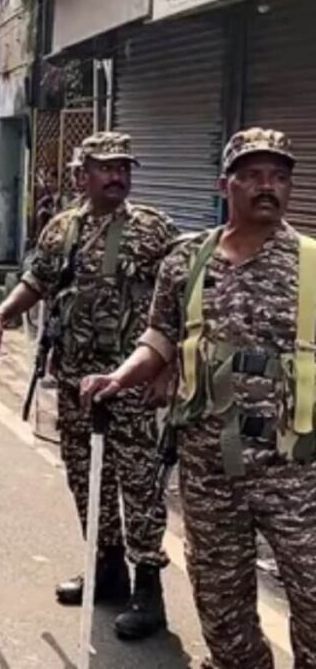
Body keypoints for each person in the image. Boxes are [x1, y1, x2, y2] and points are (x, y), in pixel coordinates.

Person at [82, 128, 316, 668]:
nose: (267, 186)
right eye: (252, 175)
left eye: (279, 176)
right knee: (223, 618)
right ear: (224, 185)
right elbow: (160, 338)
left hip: (297, 476)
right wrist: (120, 377)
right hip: (209, 474)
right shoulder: (185, 261)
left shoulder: (311, 263)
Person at [0, 132, 179, 640]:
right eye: (106, 167)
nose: (117, 176)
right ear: (80, 175)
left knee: (138, 482)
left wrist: (168, 369)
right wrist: (0, 315)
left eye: (124, 168)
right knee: (86, 477)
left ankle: (148, 588)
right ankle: (106, 569)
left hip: (130, 382)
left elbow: (181, 299)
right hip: (74, 382)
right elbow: (36, 281)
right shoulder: (61, 229)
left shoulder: (154, 229)